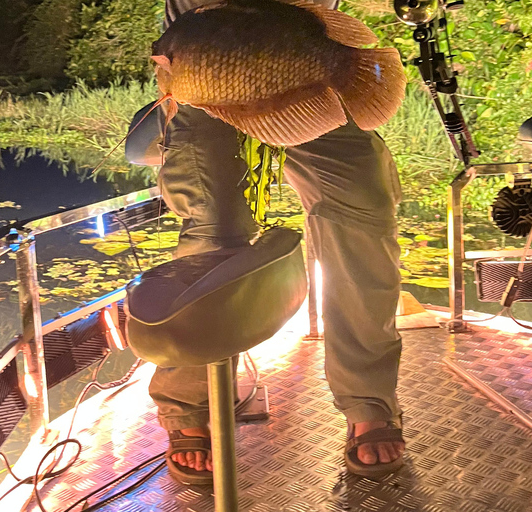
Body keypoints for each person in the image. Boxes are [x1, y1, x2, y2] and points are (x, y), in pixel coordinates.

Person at [144, 0, 405, 483]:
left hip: (302, 59)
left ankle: (368, 399)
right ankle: (187, 406)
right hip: (205, 66)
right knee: (210, 222)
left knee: (364, 209)